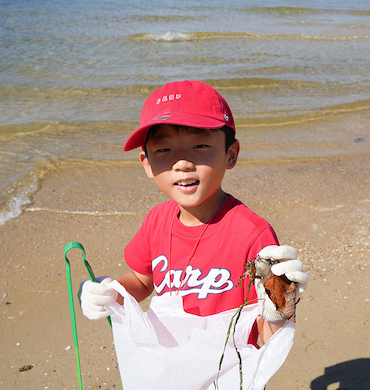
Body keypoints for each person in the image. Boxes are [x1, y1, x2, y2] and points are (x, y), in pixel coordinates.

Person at [78, 80, 309, 347]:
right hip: (169, 362)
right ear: (147, 164)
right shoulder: (156, 221)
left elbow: (267, 337)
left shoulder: (252, 234)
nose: (182, 163)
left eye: (200, 146)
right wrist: (107, 291)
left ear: (230, 154)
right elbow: (141, 281)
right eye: (164, 150)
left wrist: (281, 306)